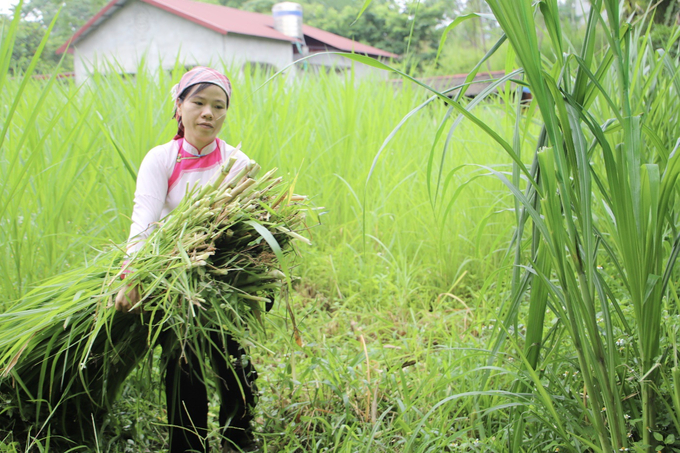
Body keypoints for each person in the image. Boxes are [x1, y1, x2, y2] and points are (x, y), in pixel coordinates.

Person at [115, 66, 260, 453]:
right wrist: (131, 274)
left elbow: (248, 230)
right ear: (178, 106)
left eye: (218, 105)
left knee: (232, 359)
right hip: (174, 280)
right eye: (198, 102)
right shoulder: (160, 159)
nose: (208, 113)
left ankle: (238, 437)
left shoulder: (238, 163)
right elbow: (143, 220)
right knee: (182, 362)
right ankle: (189, 445)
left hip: (224, 280)